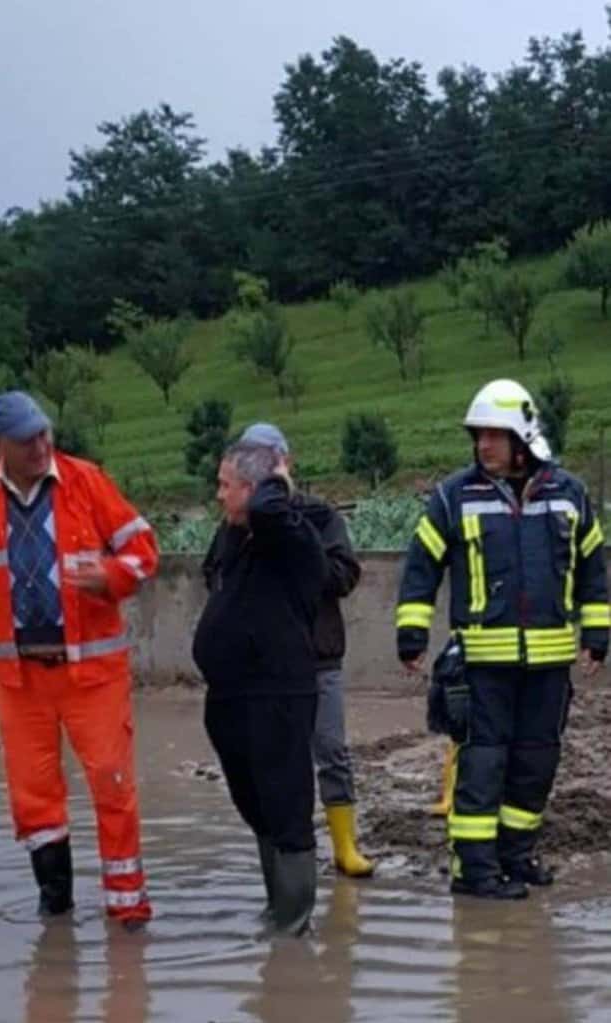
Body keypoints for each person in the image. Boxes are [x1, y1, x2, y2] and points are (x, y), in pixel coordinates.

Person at [0, 391, 158, 929]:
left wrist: (111, 577)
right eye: (27, 440)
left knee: (112, 782)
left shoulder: (86, 481)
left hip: (93, 674)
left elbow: (144, 553)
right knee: (34, 800)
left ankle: (129, 911)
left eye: (44, 435)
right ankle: (56, 912)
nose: (40, 446)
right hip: (19, 679)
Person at [396, 378, 609, 900]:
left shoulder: (569, 494)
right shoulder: (454, 495)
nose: (482, 446)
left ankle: (516, 855)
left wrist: (598, 633)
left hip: (550, 665)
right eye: (478, 436)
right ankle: (474, 871)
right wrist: (412, 631)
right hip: (482, 666)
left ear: (523, 439)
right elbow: (422, 563)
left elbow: (593, 568)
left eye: (493, 435)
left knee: (536, 763)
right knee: (482, 764)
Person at [203, 422, 373, 877]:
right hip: (262, 672)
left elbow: (342, 574)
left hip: (317, 656)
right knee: (272, 772)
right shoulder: (233, 528)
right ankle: (284, 868)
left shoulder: (317, 518)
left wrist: (299, 567)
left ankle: (344, 846)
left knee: (330, 749)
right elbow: (214, 575)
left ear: (282, 466)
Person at [192, 440, 327, 934]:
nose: (218, 495)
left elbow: (271, 506)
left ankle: (294, 925)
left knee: (286, 805)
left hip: (278, 693)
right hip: (230, 694)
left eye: (226, 486)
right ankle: (277, 912)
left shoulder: (290, 533)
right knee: (255, 805)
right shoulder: (234, 535)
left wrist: (275, 481)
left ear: (253, 490)